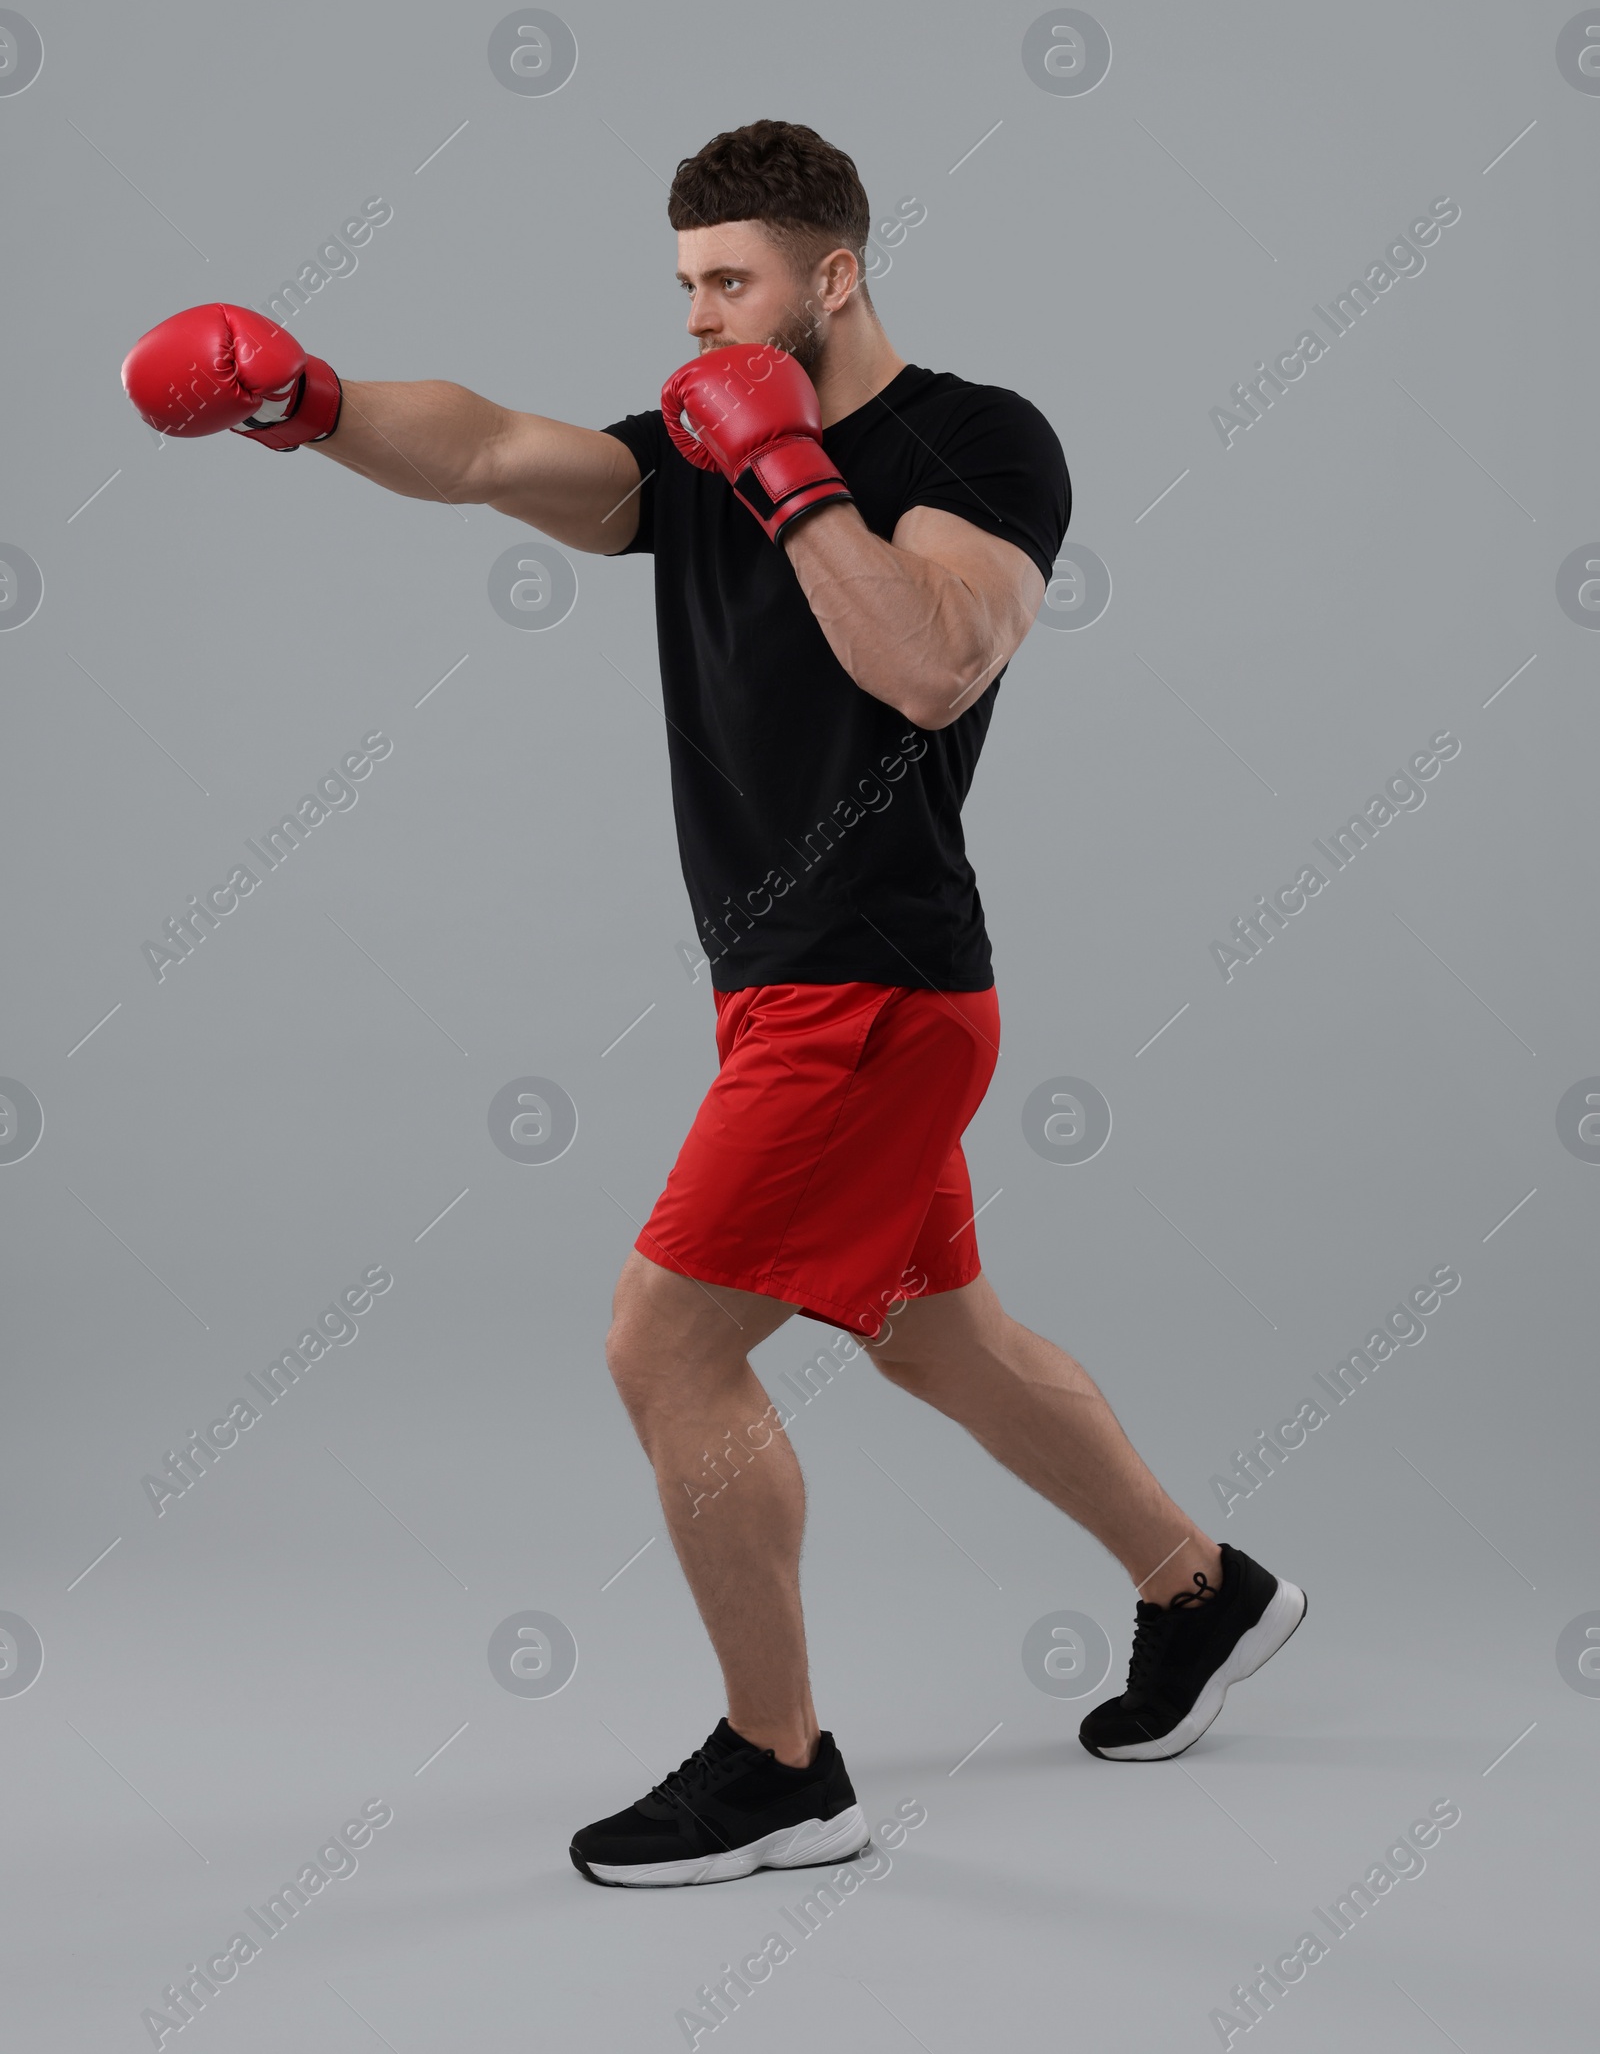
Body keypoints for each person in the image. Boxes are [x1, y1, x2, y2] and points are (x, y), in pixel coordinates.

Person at [121, 117, 1305, 1892]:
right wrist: (306, 396)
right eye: (682, 290)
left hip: (875, 984)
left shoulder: (973, 441)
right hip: (794, 993)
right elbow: (492, 451)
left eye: (730, 284)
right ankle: (1205, 1596)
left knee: (666, 1341)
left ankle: (781, 1770)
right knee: (935, 1336)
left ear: (834, 273)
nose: (699, 326)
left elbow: (932, 658)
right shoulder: (690, 449)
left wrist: (794, 475)